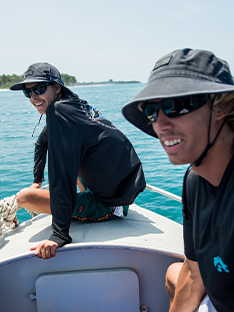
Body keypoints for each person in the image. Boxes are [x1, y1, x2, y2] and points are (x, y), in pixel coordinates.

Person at [122, 48, 234, 311]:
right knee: (176, 273)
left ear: (223, 106)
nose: (160, 124)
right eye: (152, 111)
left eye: (175, 105)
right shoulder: (194, 179)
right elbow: (195, 274)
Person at [10, 62, 146, 259]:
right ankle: (85, 196)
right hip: (122, 187)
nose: (33, 97)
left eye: (39, 89)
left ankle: (91, 205)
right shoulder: (73, 106)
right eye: (28, 93)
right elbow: (41, 143)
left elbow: (62, 173)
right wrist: (37, 181)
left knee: (25, 197)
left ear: (57, 88)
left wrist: (59, 234)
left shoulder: (57, 111)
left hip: (110, 203)